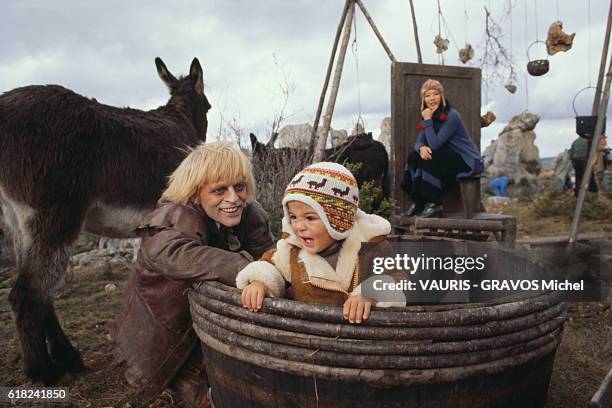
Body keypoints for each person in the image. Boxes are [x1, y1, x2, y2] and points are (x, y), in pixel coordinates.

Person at [114, 142, 274, 407]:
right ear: (195, 193)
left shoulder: (249, 213)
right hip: (167, 332)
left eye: (240, 187)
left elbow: (269, 254)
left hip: (213, 328)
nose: (233, 198)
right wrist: (249, 268)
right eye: (219, 190)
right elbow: (171, 254)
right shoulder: (175, 214)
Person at [236, 162, 406, 324]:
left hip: (359, 341)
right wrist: (261, 282)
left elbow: (396, 279)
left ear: (338, 221)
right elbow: (272, 266)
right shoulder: (291, 249)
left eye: (310, 218)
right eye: (293, 217)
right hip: (308, 336)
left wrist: (369, 293)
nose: (299, 226)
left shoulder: (371, 246)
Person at [400, 79, 483, 218]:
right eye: (427, 95)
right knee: (414, 156)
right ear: (424, 100)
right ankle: (419, 202)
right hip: (447, 157)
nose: (432, 98)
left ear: (442, 96)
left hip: (466, 159)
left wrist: (427, 121)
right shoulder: (431, 116)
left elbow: (435, 144)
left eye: (435, 94)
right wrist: (421, 148)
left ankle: (434, 203)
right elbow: (419, 142)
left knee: (433, 155)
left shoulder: (452, 116)